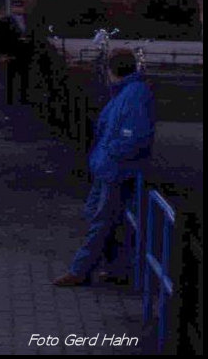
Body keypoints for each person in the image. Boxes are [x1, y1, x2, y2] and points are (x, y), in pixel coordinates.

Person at [53, 48, 155, 286]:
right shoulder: (131, 93)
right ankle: (116, 267)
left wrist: (111, 153)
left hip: (115, 168)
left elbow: (133, 136)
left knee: (101, 220)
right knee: (101, 217)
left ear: (110, 70)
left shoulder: (130, 95)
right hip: (110, 166)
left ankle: (81, 270)